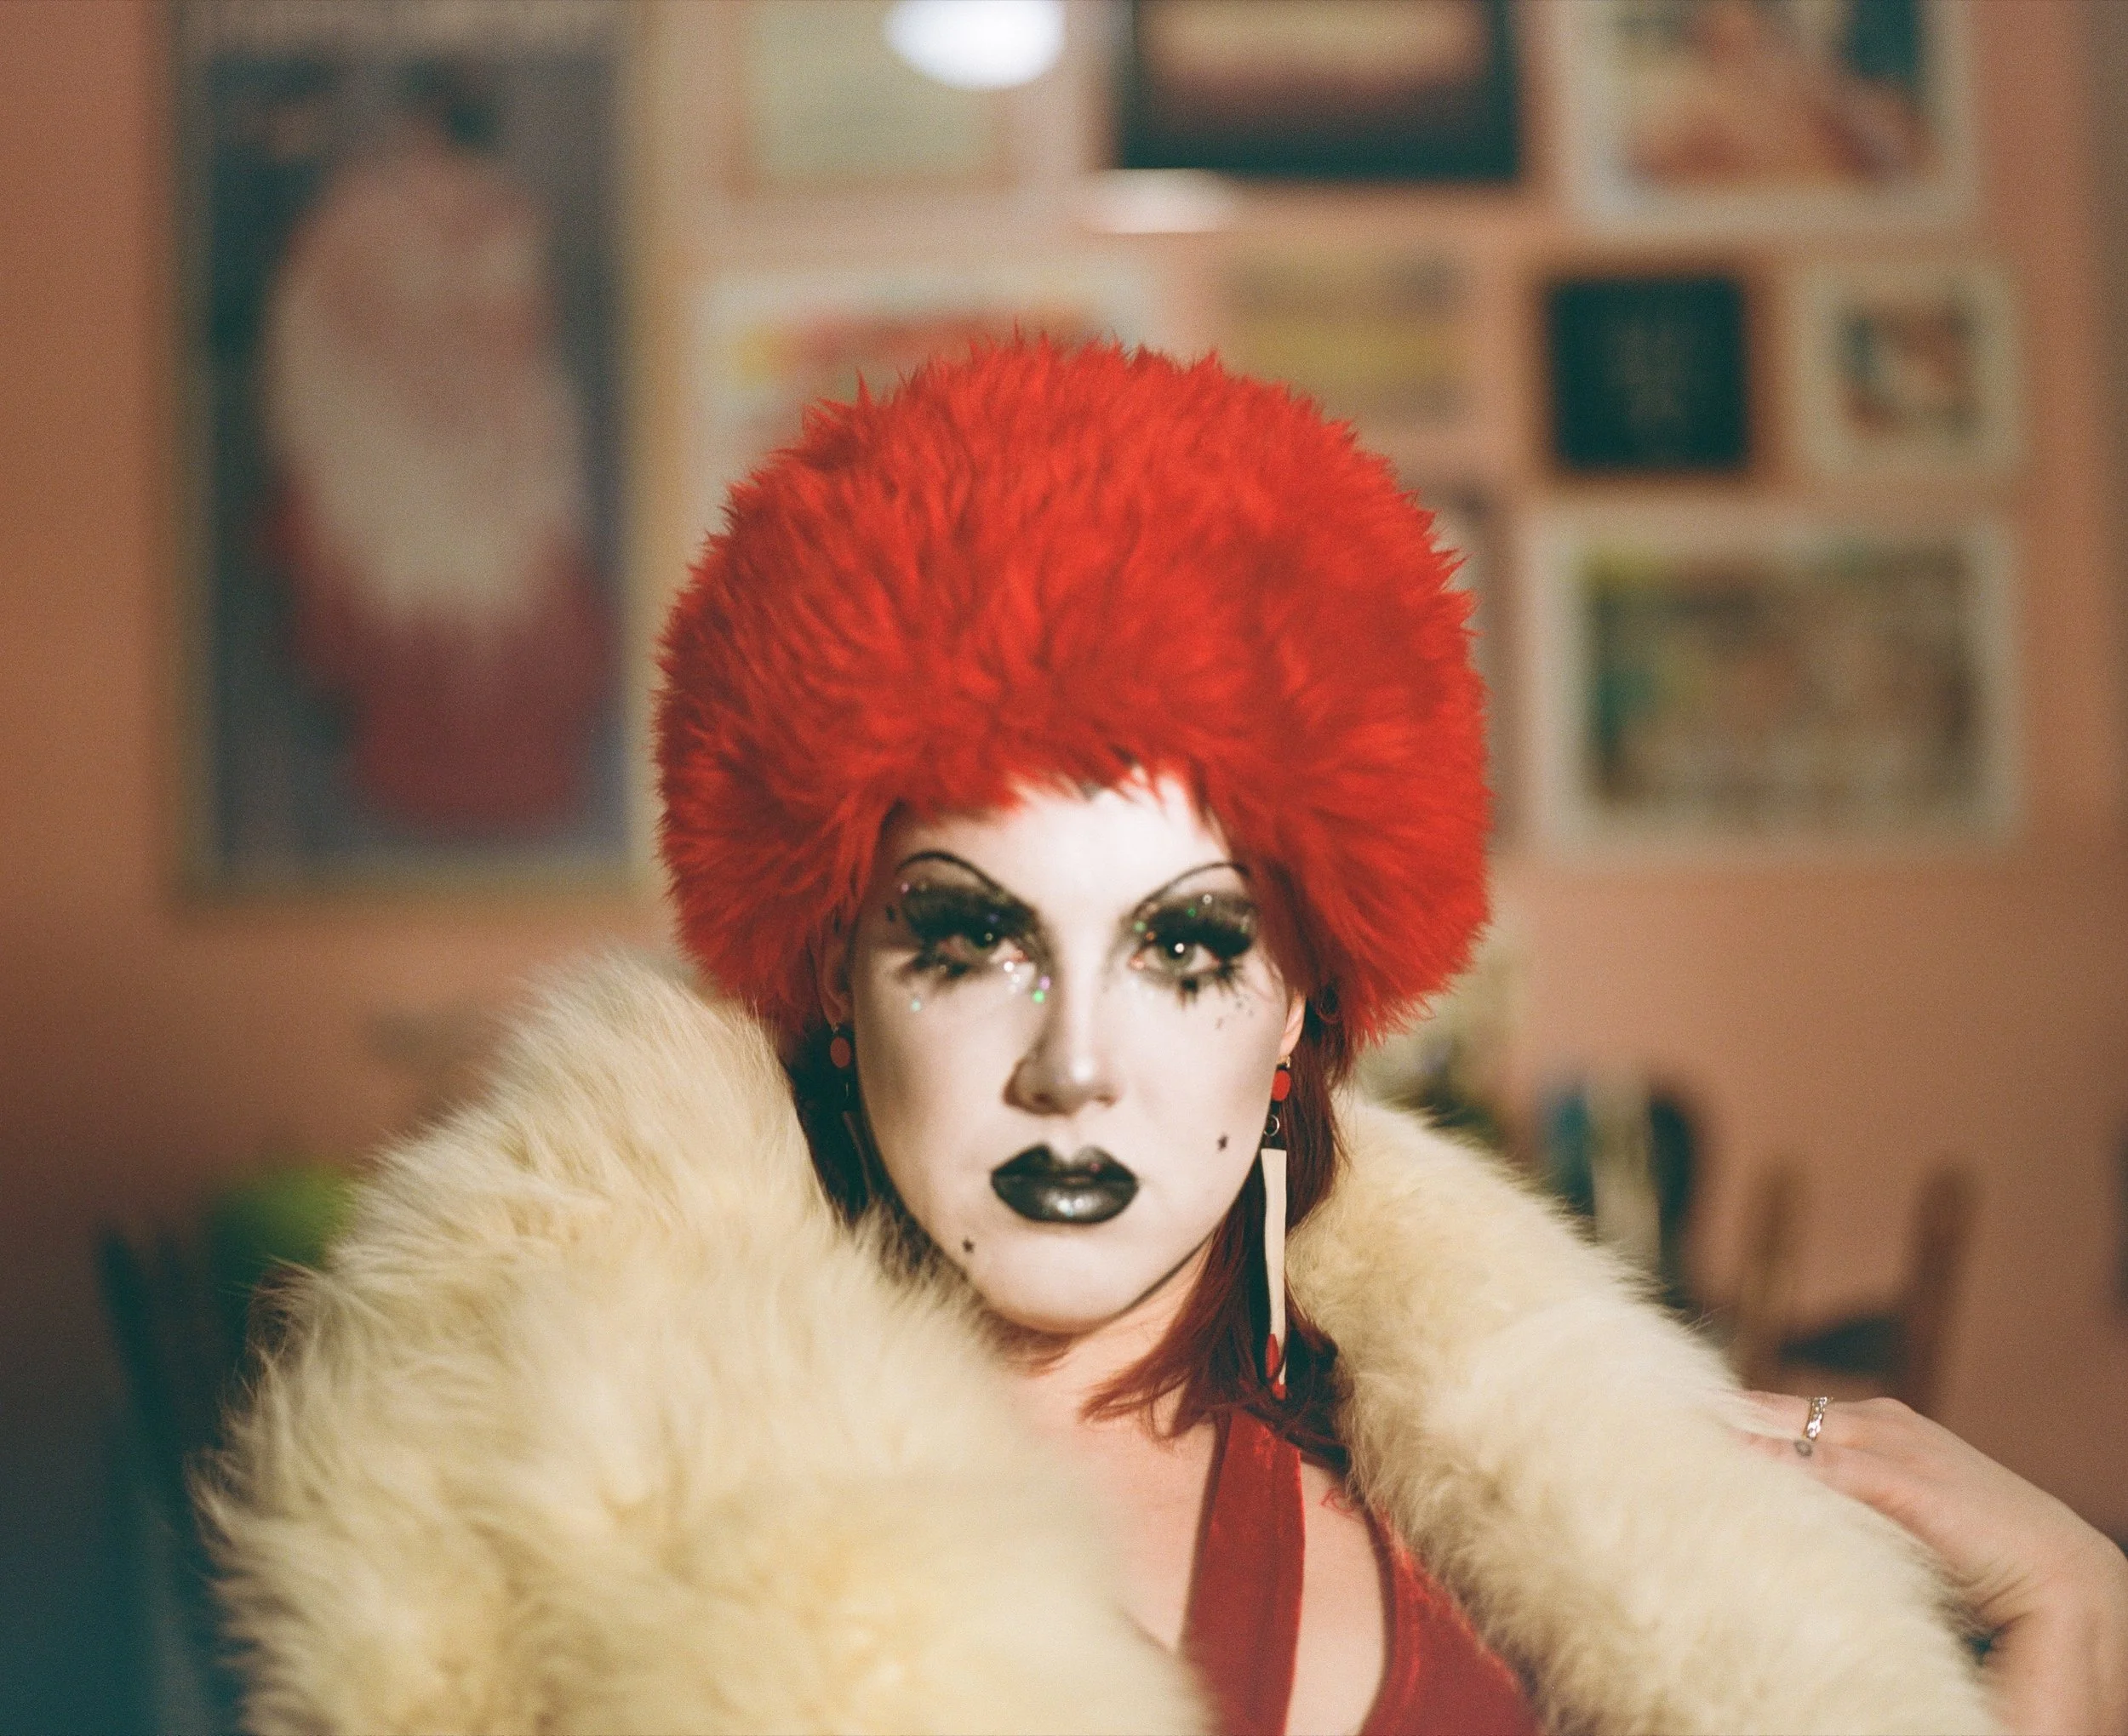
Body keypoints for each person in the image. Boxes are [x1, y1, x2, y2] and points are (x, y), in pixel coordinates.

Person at [205, 341, 2125, 1734]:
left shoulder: (1550, 1509)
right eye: (970, 940)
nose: (1075, 1067)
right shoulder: (567, 1525)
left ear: (1298, 1010)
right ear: (831, 982)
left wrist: (2062, 1639)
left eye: (1187, 948)